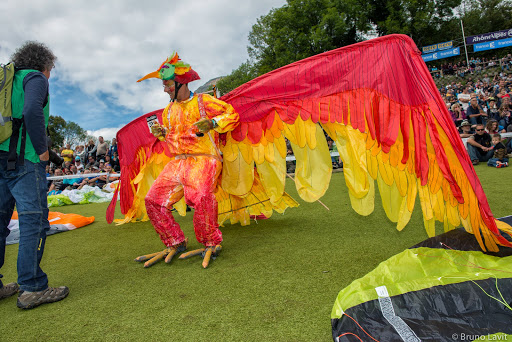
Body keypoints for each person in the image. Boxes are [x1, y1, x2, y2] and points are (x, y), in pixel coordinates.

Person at [135, 52, 239, 268]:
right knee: (153, 200)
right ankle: (174, 242)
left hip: (203, 159)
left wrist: (212, 123)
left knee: (201, 198)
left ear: (180, 82)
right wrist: (162, 132)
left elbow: (232, 115)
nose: (164, 89)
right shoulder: (168, 110)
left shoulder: (204, 101)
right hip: (178, 162)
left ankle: (211, 243)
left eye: (167, 84)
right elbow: (174, 137)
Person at [0, 41, 69, 309]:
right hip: (24, 162)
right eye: (51, 69)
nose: (50, 74)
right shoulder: (35, 77)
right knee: (34, 223)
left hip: (2, 157)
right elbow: (30, 112)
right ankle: (32, 287)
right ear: (44, 64)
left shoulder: (8, 80)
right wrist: (42, 151)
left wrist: (51, 153)